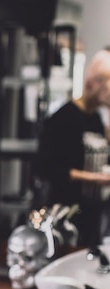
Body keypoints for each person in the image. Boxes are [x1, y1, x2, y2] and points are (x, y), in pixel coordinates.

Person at [37, 48, 110, 246]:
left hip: (92, 217)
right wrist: (95, 178)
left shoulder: (96, 119)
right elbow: (47, 168)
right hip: (65, 217)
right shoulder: (63, 118)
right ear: (91, 83)